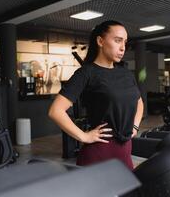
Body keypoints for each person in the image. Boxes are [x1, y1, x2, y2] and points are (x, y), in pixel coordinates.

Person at [48, 20, 144, 170]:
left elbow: (139, 102)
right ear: (100, 41)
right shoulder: (86, 73)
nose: (123, 47)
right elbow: (56, 111)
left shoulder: (126, 73)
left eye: (125, 42)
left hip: (125, 150)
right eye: (117, 40)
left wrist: (135, 127)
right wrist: (84, 136)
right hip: (99, 152)